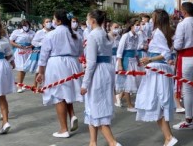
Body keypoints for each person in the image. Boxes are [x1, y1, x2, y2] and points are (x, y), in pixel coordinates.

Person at [36, 9, 84, 138]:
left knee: (58, 95)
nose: (52, 21)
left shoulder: (51, 35)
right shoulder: (76, 34)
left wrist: (41, 72)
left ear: (58, 20)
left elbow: (43, 56)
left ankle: (63, 129)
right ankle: (72, 115)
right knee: (67, 91)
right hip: (73, 63)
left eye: (53, 19)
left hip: (56, 63)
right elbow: (80, 52)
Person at [80, 9, 122, 146]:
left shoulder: (93, 36)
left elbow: (91, 62)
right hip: (107, 70)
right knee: (93, 107)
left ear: (92, 20)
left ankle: (112, 143)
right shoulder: (105, 34)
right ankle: (92, 142)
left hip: (97, 72)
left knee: (96, 108)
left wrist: (85, 84)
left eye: (87, 18)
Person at [137, 9, 178, 146]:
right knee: (158, 104)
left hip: (157, 69)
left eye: (153, 18)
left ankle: (169, 137)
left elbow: (166, 53)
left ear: (157, 19)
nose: (150, 20)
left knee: (154, 104)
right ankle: (168, 137)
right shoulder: (165, 32)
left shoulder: (159, 33)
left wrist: (150, 59)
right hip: (160, 69)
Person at [172, 2, 193, 131]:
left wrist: (174, 46)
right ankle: (192, 117)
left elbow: (178, 45)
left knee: (187, 89)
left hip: (186, 57)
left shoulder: (182, 24)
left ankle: (189, 119)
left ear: (183, 11)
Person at [116, 20, 139, 112]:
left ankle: (119, 96)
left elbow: (136, 50)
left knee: (134, 82)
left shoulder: (136, 36)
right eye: (137, 25)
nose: (139, 27)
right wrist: (120, 64)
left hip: (133, 60)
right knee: (128, 83)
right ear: (132, 26)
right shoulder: (125, 36)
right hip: (126, 60)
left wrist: (138, 60)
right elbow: (120, 51)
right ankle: (129, 105)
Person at [24, 18, 53, 89]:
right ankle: (36, 85)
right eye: (47, 22)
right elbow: (33, 42)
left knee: (49, 69)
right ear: (43, 24)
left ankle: (46, 85)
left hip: (51, 53)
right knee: (39, 69)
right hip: (41, 52)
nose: (48, 23)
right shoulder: (40, 32)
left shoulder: (53, 32)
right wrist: (42, 44)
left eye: (50, 21)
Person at [10, 19, 35, 93]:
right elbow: (11, 41)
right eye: (24, 25)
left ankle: (21, 83)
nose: (26, 26)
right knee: (21, 68)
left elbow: (35, 42)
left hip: (28, 51)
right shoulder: (16, 32)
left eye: (27, 25)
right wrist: (18, 46)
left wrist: (30, 45)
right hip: (19, 51)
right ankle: (19, 86)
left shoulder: (32, 32)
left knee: (25, 68)